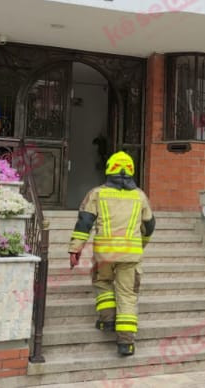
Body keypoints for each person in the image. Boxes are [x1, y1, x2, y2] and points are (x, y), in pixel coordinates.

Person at [68, 151, 155, 356]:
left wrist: (75, 248)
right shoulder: (140, 196)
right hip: (131, 255)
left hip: (104, 254)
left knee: (102, 282)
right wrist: (140, 244)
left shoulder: (97, 193)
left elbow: (84, 223)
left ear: (109, 169)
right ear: (131, 170)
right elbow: (149, 226)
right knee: (127, 294)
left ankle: (107, 321)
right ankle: (126, 343)